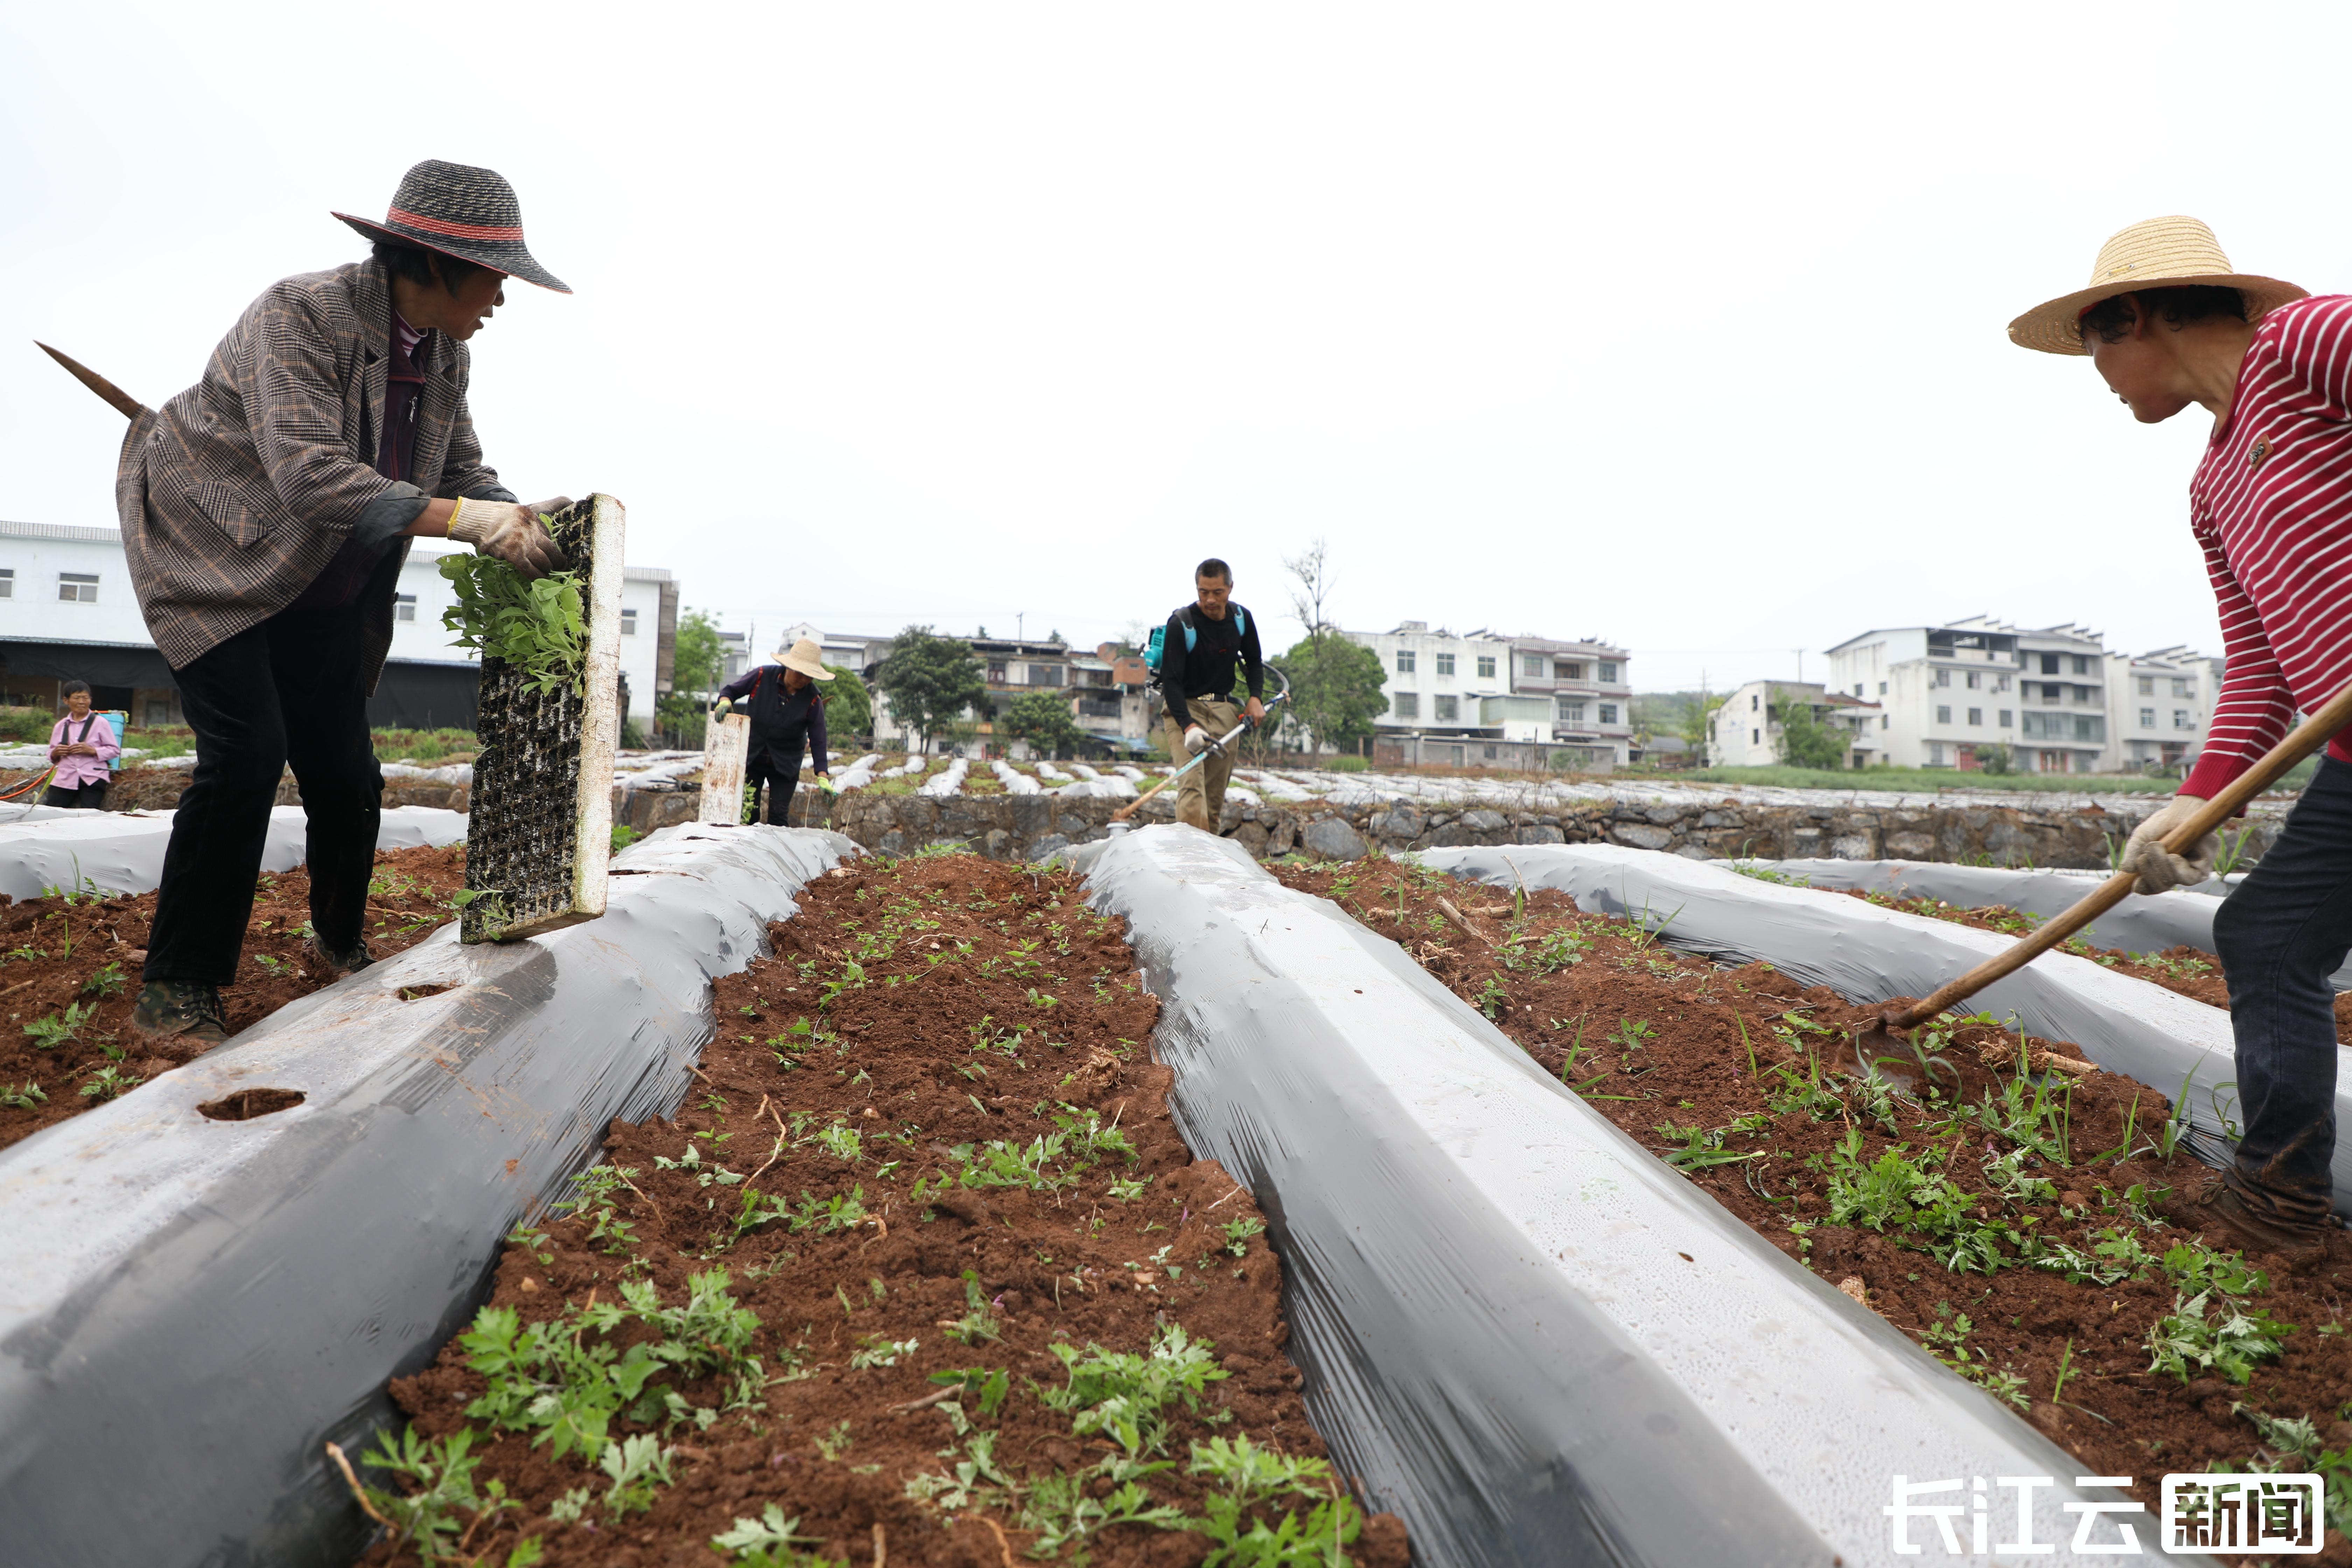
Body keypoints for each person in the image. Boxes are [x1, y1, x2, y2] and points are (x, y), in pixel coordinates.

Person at [113, 160, 574, 1046]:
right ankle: (178, 986)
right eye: (495, 277)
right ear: (434, 264)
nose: (503, 298)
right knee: (249, 756)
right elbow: (309, 475)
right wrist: (467, 522)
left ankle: (337, 943)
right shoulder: (302, 315)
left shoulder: (445, 355)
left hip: (327, 581)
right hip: (218, 559)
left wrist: (509, 510)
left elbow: (456, 470)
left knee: (347, 772)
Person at [2012, 215, 2347, 1256]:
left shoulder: (2304, 342)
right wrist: (2195, 803)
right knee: (2263, 937)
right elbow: (2259, 672)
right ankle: (2279, 1202)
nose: (2103, 380)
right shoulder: (2208, 490)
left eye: (2097, 349)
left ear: (2138, 317)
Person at [1157, 558, 1266, 832]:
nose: (1210, 600)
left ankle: (1209, 861)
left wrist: (1255, 698)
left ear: (1230, 588)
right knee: (1192, 784)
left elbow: (1254, 662)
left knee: (1214, 795)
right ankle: (1189, 858)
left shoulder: (1241, 620)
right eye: (1203, 592)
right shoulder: (1181, 624)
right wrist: (1188, 726)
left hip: (1224, 710)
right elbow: (1171, 681)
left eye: (1217, 592)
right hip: (1184, 709)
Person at [714, 637, 833, 825]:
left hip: (786, 763)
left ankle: (773, 854)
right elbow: (731, 690)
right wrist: (725, 701)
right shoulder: (762, 676)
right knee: (748, 812)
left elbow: (818, 738)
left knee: (778, 815)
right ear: (789, 667)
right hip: (753, 757)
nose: (804, 680)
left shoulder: (813, 699)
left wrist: (822, 776)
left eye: (809, 676)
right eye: (801, 673)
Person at [43, 682, 120, 809]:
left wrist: (92, 751)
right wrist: (57, 752)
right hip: (65, 778)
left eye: (86, 698)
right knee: (52, 811)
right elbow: (51, 754)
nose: (82, 702)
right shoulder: (61, 726)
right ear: (66, 701)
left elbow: (114, 750)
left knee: (89, 814)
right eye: (77, 698)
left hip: (93, 778)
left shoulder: (101, 723)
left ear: (90, 700)